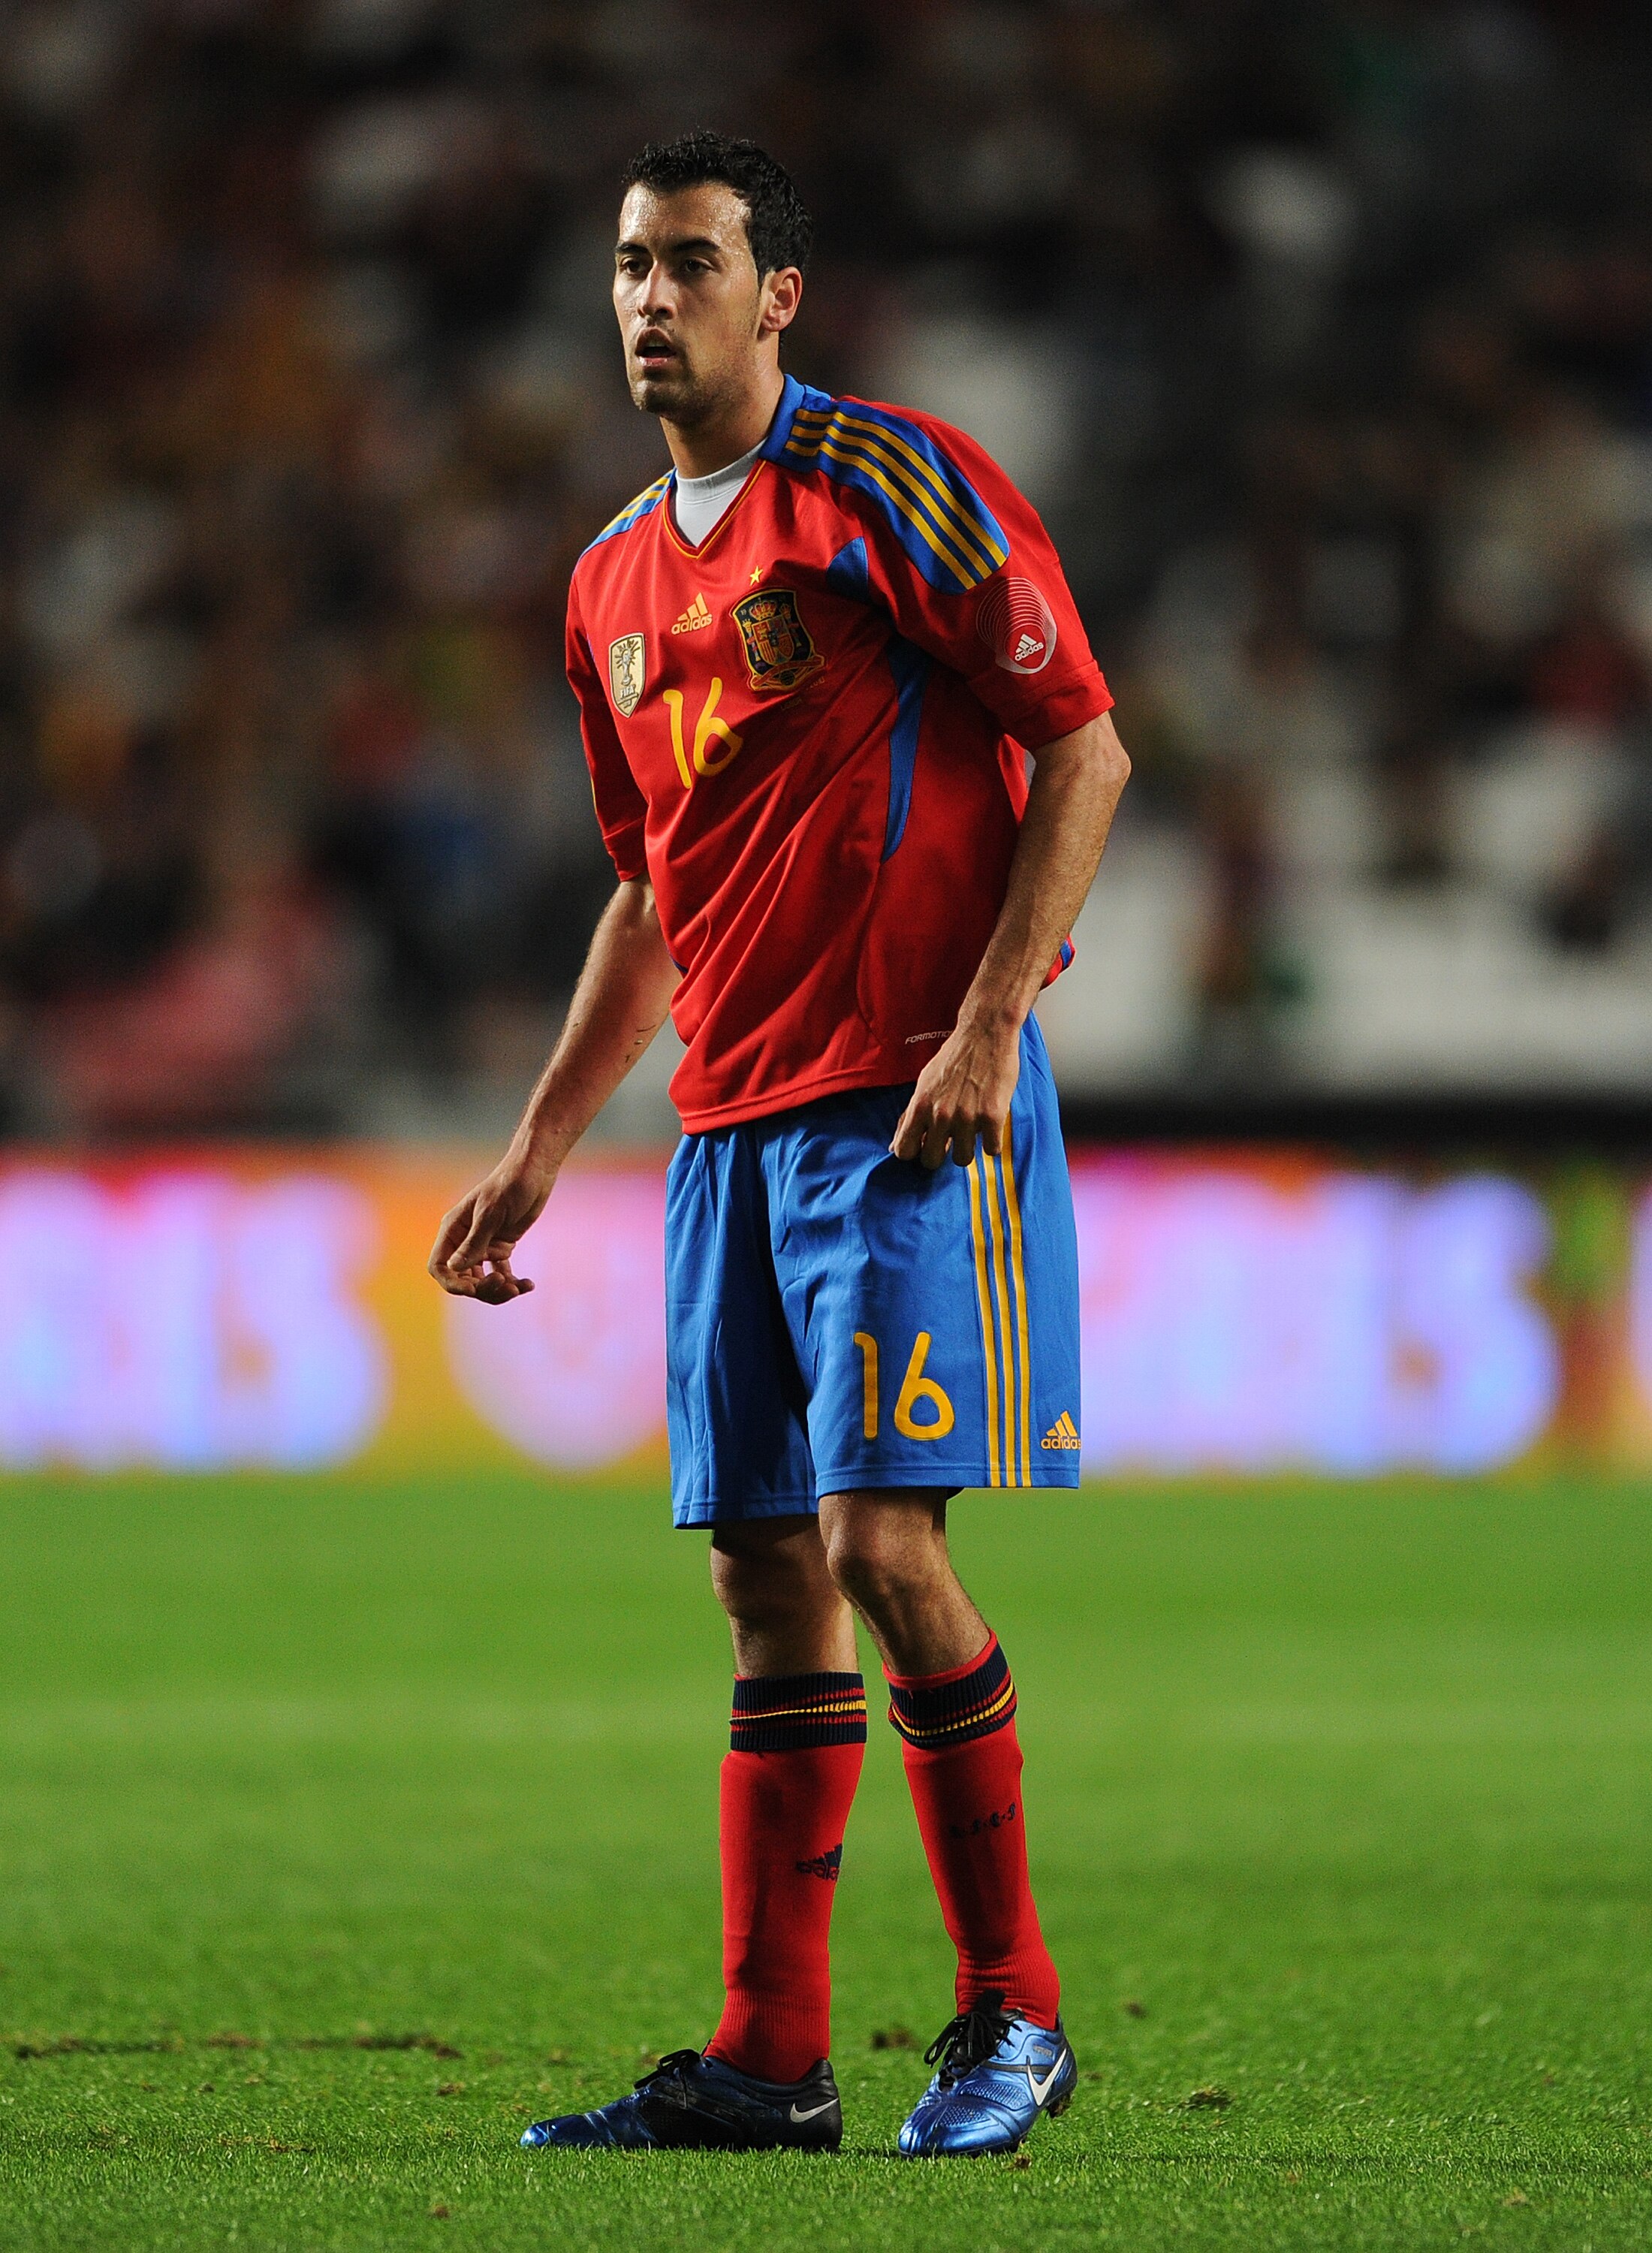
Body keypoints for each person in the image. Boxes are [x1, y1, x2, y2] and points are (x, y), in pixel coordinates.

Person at [428, 130, 1129, 2158]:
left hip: (909, 1099)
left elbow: (1083, 738)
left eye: (693, 264)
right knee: (765, 1580)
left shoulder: (885, 484)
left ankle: (1014, 2017)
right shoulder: (607, 588)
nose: (653, 300)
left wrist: (995, 1025)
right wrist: (546, 1143)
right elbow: (648, 888)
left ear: (778, 294)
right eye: (631, 268)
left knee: (882, 1542)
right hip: (726, 1132)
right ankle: (769, 2061)